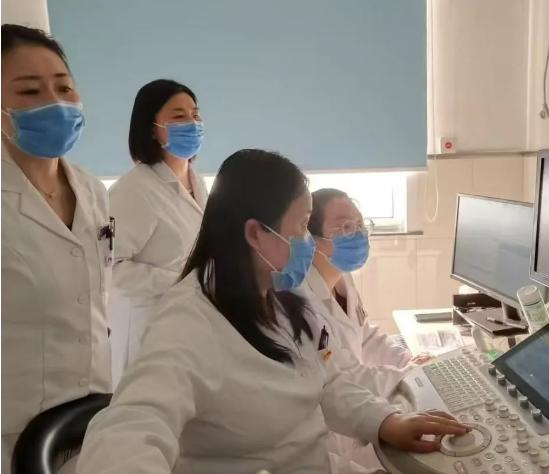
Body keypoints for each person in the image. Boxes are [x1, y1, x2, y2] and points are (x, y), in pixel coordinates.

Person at [77, 149, 469, 474]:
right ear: (255, 233)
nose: (307, 241)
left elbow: (328, 383)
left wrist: (386, 420)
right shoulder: (188, 321)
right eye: (301, 226)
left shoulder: (282, 295)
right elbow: (130, 426)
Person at [1, 24, 111, 469]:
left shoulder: (92, 190)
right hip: (10, 432)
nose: (56, 103)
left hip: (90, 420)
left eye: (64, 87)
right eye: (30, 91)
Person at [302, 188, 430, 471]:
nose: (358, 234)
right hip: (329, 434)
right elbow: (344, 374)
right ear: (311, 239)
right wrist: (407, 374)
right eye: (346, 227)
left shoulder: (342, 278)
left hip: (356, 414)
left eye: (360, 224)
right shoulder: (304, 298)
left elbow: (365, 334)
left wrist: (405, 359)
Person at [107, 79, 208, 386]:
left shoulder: (198, 183)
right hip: (146, 330)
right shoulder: (134, 189)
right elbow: (109, 268)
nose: (192, 123)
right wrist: (183, 282)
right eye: (179, 116)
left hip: (190, 325)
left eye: (195, 114)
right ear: (152, 129)